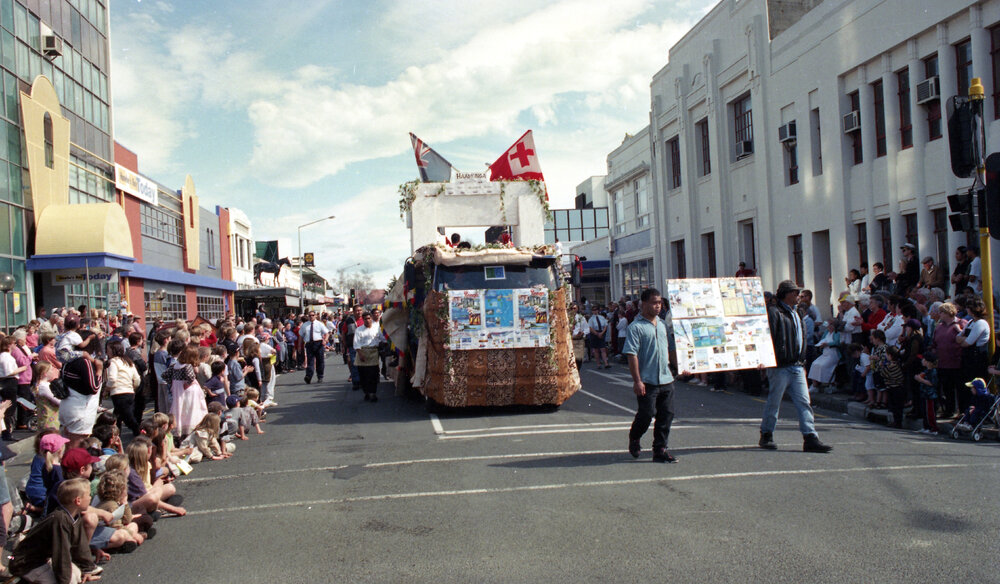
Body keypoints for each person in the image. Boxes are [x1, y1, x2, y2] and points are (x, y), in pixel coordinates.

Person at [759, 280, 832, 453]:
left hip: (797, 365)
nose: (798, 296)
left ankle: (810, 437)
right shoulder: (774, 312)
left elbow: (802, 337)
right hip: (780, 365)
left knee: (804, 402)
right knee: (774, 402)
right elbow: (768, 336)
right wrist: (765, 358)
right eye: (794, 292)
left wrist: (802, 360)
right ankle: (766, 434)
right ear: (785, 294)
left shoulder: (797, 312)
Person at [8, 478, 100, 584]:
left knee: (77, 575)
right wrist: (64, 581)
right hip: (25, 563)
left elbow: (80, 544)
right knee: (70, 580)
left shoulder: (74, 515)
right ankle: (22, 580)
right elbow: (61, 552)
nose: (90, 497)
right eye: (88, 495)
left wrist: (87, 568)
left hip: (43, 559)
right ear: (78, 501)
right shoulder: (59, 520)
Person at [623, 288, 677, 463]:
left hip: (666, 378)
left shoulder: (662, 325)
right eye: (654, 302)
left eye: (659, 302)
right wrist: (637, 381)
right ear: (643, 304)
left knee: (666, 415)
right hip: (647, 380)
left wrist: (680, 367)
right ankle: (635, 436)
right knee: (646, 415)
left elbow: (670, 349)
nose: (658, 306)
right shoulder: (635, 327)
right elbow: (632, 355)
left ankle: (660, 449)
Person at [163, 345, 208, 438]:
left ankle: (180, 429)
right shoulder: (187, 366)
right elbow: (191, 377)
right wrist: (187, 383)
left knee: (180, 408)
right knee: (192, 409)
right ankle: (193, 427)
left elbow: (165, 375)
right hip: (189, 391)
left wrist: (172, 383)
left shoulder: (174, 365)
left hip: (177, 390)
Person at [105, 340, 142, 436]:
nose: (107, 352)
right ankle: (116, 435)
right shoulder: (128, 362)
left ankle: (139, 432)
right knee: (118, 416)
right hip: (129, 392)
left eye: (108, 350)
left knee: (127, 418)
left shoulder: (113, 362)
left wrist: (106, 389)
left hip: (118, 392)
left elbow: (112, 379)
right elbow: (137, 379)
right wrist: (133, 388)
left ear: (113, 350)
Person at [354, 311, 383, 402]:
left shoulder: (377, 328)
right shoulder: (359, 330)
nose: (367, 320)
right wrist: (360, 354)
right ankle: (366, 392)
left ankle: (373, 393)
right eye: (365, 319)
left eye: (369, 318)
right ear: (363, 320)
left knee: (373, 374)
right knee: (363, 375)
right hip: (362, 352)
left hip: (373, 352)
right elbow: (356, 343)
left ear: (371, 318)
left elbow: (382, 338)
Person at [299, 311, 329, 384]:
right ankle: (308, 376)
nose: (311, 317)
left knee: (320, 361)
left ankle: (320, 376)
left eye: (312, 315)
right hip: (309, 344)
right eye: (310, 315)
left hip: (318, 343)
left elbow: (326, 333)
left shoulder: (319, 324)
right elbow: (301, 336)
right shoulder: (305, 325)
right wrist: (299, 346)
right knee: (310, 361)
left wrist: (325, 340)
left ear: (315, 316)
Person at [913, 354, 940, 435]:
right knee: (924, 412)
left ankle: (933, 428)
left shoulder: (933, 372)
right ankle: (926, 427)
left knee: (930, 412)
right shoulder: (926, 371)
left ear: (928, 362)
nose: (922, 361)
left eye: (924, 360)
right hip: (924, 394)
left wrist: (921, 380)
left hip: (930, 395)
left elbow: (932, 383)